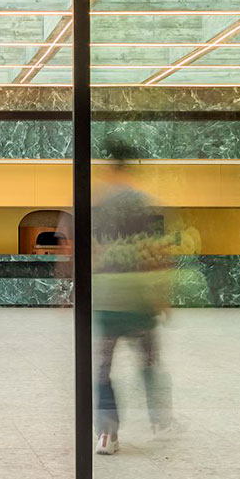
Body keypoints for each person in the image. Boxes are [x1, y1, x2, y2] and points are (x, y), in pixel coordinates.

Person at [91, 136, 173, 454]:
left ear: (109, 165)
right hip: (140, 297)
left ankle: (107, 433)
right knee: (150, 361)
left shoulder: (96, 202)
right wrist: (162, 297)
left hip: (107, 297)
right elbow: (158, 251)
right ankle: (159, 420)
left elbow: (82, 250)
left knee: (102, 369)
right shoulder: (145, 201)